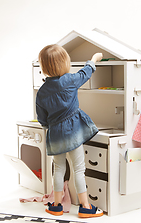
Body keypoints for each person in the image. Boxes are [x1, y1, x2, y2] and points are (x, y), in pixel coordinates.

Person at [36, 44, 103, 218]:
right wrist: (94, 59)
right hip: (73, 133)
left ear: (43, 67)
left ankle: (56, 205)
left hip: (55, 135)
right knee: (78, 170)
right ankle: (85, 206)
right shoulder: (70, 80)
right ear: (64, 63)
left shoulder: (42, 92)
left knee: (58, 169)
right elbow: (86, 72)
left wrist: (51, 126)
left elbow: (42, 119)